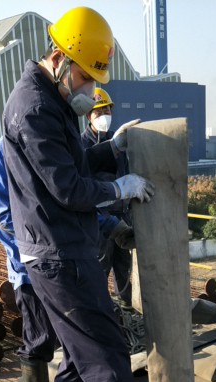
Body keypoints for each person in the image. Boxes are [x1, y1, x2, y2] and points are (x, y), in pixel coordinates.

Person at [2, 6, 155, 382]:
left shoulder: (49, 99)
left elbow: (72, 164)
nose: (90, 89)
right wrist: (119, 188)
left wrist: (111, 150)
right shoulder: (36, 108)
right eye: (86, 77)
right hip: (60, 252)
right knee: (108, 353)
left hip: (57, 247)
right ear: (60, 58)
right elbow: (68, 187)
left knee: (76, 349)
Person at [0, 137, 56, 382]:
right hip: (29, 264)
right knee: (39, 335)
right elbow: (5, 218)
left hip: (58, 258)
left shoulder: (44, 142)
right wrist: (46, 240)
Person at [81, 88, 134, 308]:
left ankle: (126, 308)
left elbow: (126, 173)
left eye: (107, 110)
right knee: (100, 265)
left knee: (124, 265)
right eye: (99, 111)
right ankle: (102, 310)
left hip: (122, 213)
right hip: (98, 217)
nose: (104, 115)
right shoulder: (81, 145)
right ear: (88, 115)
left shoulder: (118, 141)